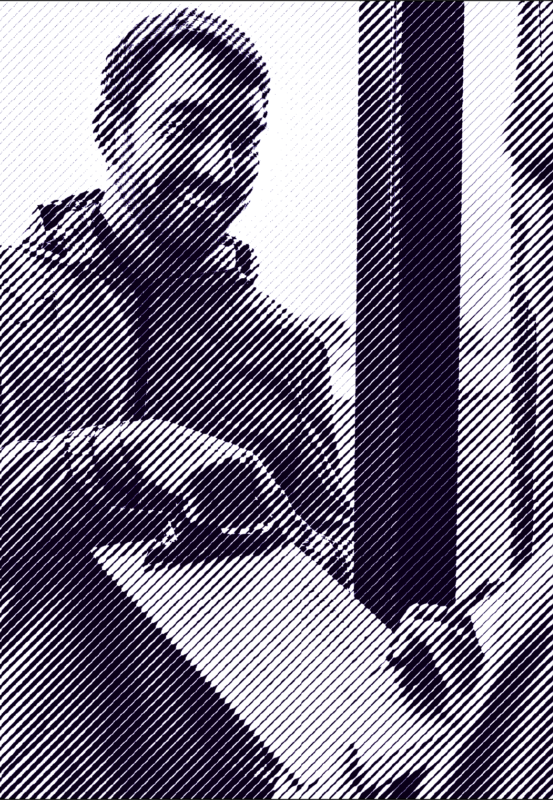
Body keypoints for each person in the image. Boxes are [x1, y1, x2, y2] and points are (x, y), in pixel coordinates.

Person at [0, 9, 352, 799]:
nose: (222, 167)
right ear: (110, 128)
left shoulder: (288, 348)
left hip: (221, 781)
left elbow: (328, 551)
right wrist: (121, 458)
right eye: (189, 126)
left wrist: (420, 625)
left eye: (246, 138)